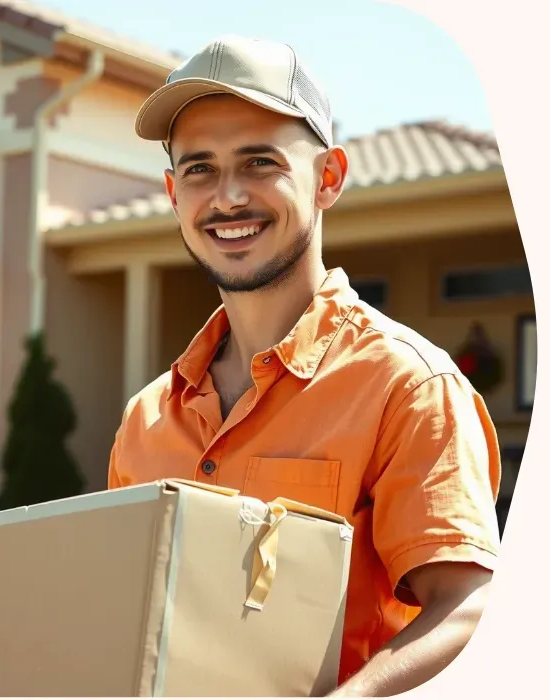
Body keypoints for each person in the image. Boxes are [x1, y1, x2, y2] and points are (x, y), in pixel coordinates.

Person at [108, 35, 501, 697]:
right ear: (174, 193)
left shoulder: (407, 386)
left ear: (327, 178)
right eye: (200, 169)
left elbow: (465, 608)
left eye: (259, 162)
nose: (228, 196)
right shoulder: (146, 418)